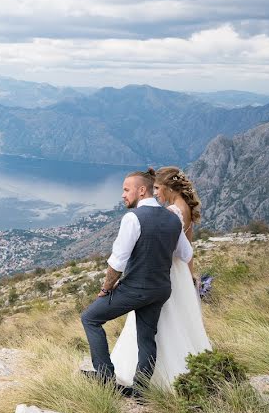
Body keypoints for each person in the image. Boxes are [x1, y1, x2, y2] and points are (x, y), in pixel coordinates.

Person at [80, 168, 193, 396]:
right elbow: (186, 253)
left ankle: (105, 378)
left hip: (136, 289)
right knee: (146, 337)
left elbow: (118, 261)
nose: (123, 195)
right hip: (160, 289)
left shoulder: (133, 218)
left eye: (126, 189)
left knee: (90, 318)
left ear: (142, 191)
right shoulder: (172, 218)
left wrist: (106, 288)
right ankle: (140, 391)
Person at [109, 166, 212, 390]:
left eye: (157, 188)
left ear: (168, 187)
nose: (155, 193)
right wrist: (190, 275)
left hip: (164, 272)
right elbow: (188, 251)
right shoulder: (184, 209)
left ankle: (156, 376)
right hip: (179, 273)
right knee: (176, 321)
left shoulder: (173, 212)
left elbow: (175, 249)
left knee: (158, 324)